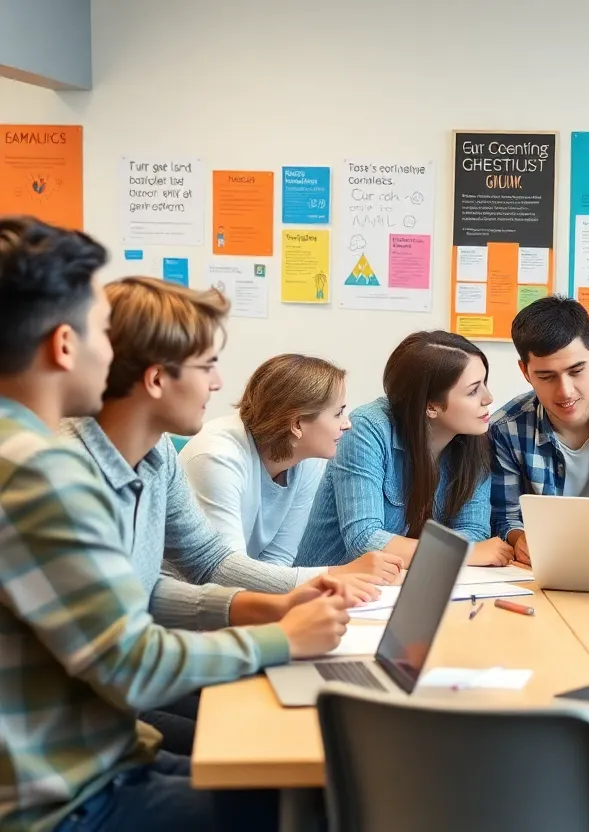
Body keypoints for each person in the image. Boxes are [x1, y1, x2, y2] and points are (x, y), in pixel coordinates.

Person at [0, 216, 349, 831]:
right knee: (325, 803)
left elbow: (145, 586)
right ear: (64, 344)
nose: (110, 355)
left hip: (96, 758)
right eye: (101, 333)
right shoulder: (41, 470)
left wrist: (273, 606)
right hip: (64, 801)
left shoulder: (71, 456)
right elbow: (133, 661)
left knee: (304, 781)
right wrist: (287, 639)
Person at [60, 277, 380, 754]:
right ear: (156, 379)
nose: (219, 382)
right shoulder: (63, 474)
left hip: (126, 683)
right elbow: (121, 657)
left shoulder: (157, 454)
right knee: (276, 759)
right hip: (92, 711)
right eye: (208, 364)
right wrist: (278, 636)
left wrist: (277, 604)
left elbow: (186, 566)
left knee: (306, 739)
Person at [296, 330, 513, 567]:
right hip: (330, 593)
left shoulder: (474, 440)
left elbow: (474, 531)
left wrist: (460, 550)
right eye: (473, 390)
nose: (489, 398)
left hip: (406, 585)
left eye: (485, 384)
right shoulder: (367, 429)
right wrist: (466, 553)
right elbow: (365, 541)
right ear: (431, 406)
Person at [179, 354, 394, 576]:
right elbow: (226, 573)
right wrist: (339, 576)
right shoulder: (217, 458)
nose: (347, 424)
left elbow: (278, 559)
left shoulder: (305, 459)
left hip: (238, 595)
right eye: (338, 413)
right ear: (297, 424)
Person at [490, 296, 589, 564]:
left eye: (576, 371)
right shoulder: (505, 429)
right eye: (546, 376)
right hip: (546, 566)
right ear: (525, 371)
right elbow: (505, 516)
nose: (565, 391)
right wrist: (521, 540)